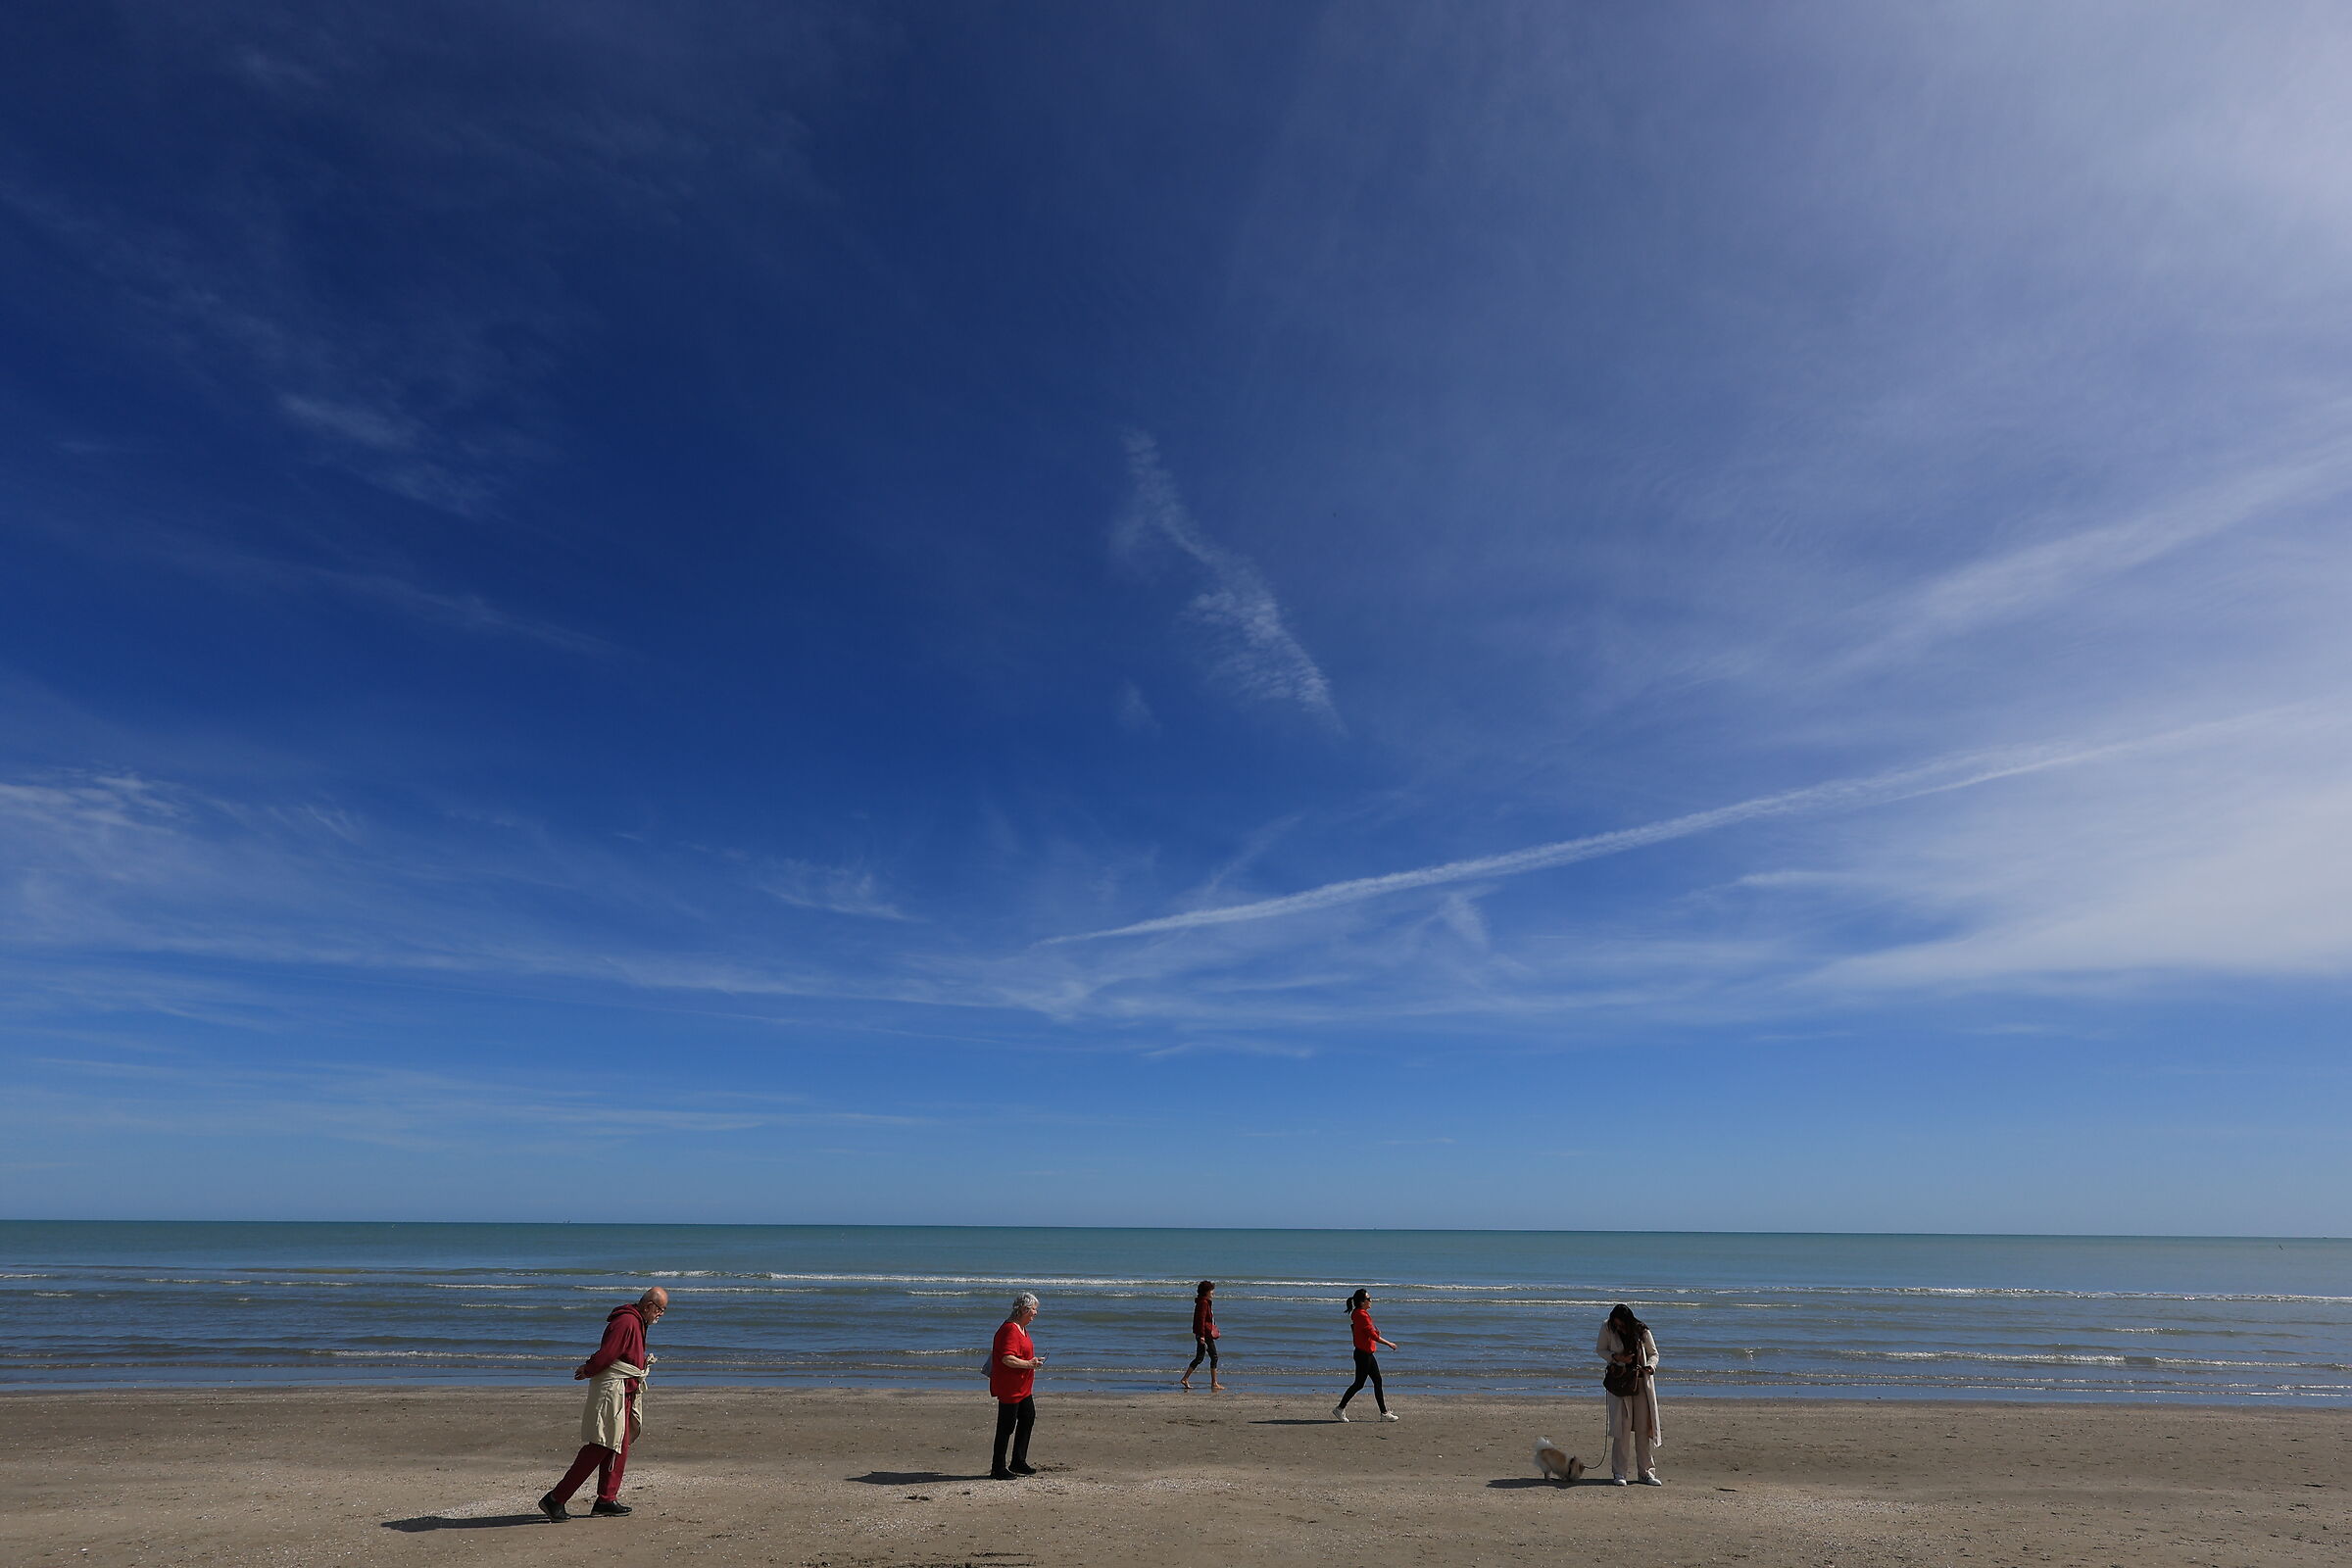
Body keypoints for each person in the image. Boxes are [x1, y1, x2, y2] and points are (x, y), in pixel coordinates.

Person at [538, 1287, 666, 1521]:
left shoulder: (638, 1322)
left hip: (626, 1389)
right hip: (614, 1390)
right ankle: (555, 1498)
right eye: (660, 1310)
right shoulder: (626, 1322)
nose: (661, 1315)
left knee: (620, 1444)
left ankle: (606, 1499)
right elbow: (607, 1355)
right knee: (601, 1443)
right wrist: (588, 1369)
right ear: (648, 1306)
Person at [1597, 1302, 1662, 1486]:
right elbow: (1600, 1349)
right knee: (1622, 1429)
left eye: (1621, 1324)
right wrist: (1617, 1358)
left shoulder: (1641, 1330)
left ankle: (1645, 1472)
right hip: (1620, 1384)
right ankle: (1619, 1472)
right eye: (1616, 1323)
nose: (1618, 1327)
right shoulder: (1607, 1327)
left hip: (1641, 1383)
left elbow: (1654, 1353)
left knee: (1642, 1429)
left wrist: (1650, 1366)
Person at [988, 1291, 1045, 1480]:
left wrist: (1032, 1361)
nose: (1035, 1313)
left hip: (1023, 1387)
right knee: (1006, 1426)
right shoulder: (1010, 1329)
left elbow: (1019, 1355)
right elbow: (1007, 1358)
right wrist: (1029, 1364)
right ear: (1023, 1309)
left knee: (1028, 1417)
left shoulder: (1022, 1328)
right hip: (1010, 1387)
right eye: (1034, 1310)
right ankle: (998, 1467)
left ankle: (1018, 1461)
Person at [1332, 1288, 1398, 1421]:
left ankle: (1384, 1413)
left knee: (1375, 1381)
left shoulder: (1357, 1313)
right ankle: (1340, 1409)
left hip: (1364, 1353)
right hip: (1363, 1355)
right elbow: (1372, 1335)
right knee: (1359, 1384)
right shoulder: (1362, 1315)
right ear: (1362, 1302)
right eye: (1369, 1299)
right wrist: (1389, 1343)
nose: (1371, 1301)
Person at [1179, 1280, 1223, 1392]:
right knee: (1214, 1357)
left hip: (1203, 1334)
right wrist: (1202, 1336)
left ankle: (1185, 1378)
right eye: (1211, 1290)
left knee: (1200, 1358)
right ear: (1206, 1291)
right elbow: (1201, 1320)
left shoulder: (1204, 1302)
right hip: (1205, 1335)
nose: (1213, 1292)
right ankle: (1214, 1383)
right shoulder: (1203, 1303)